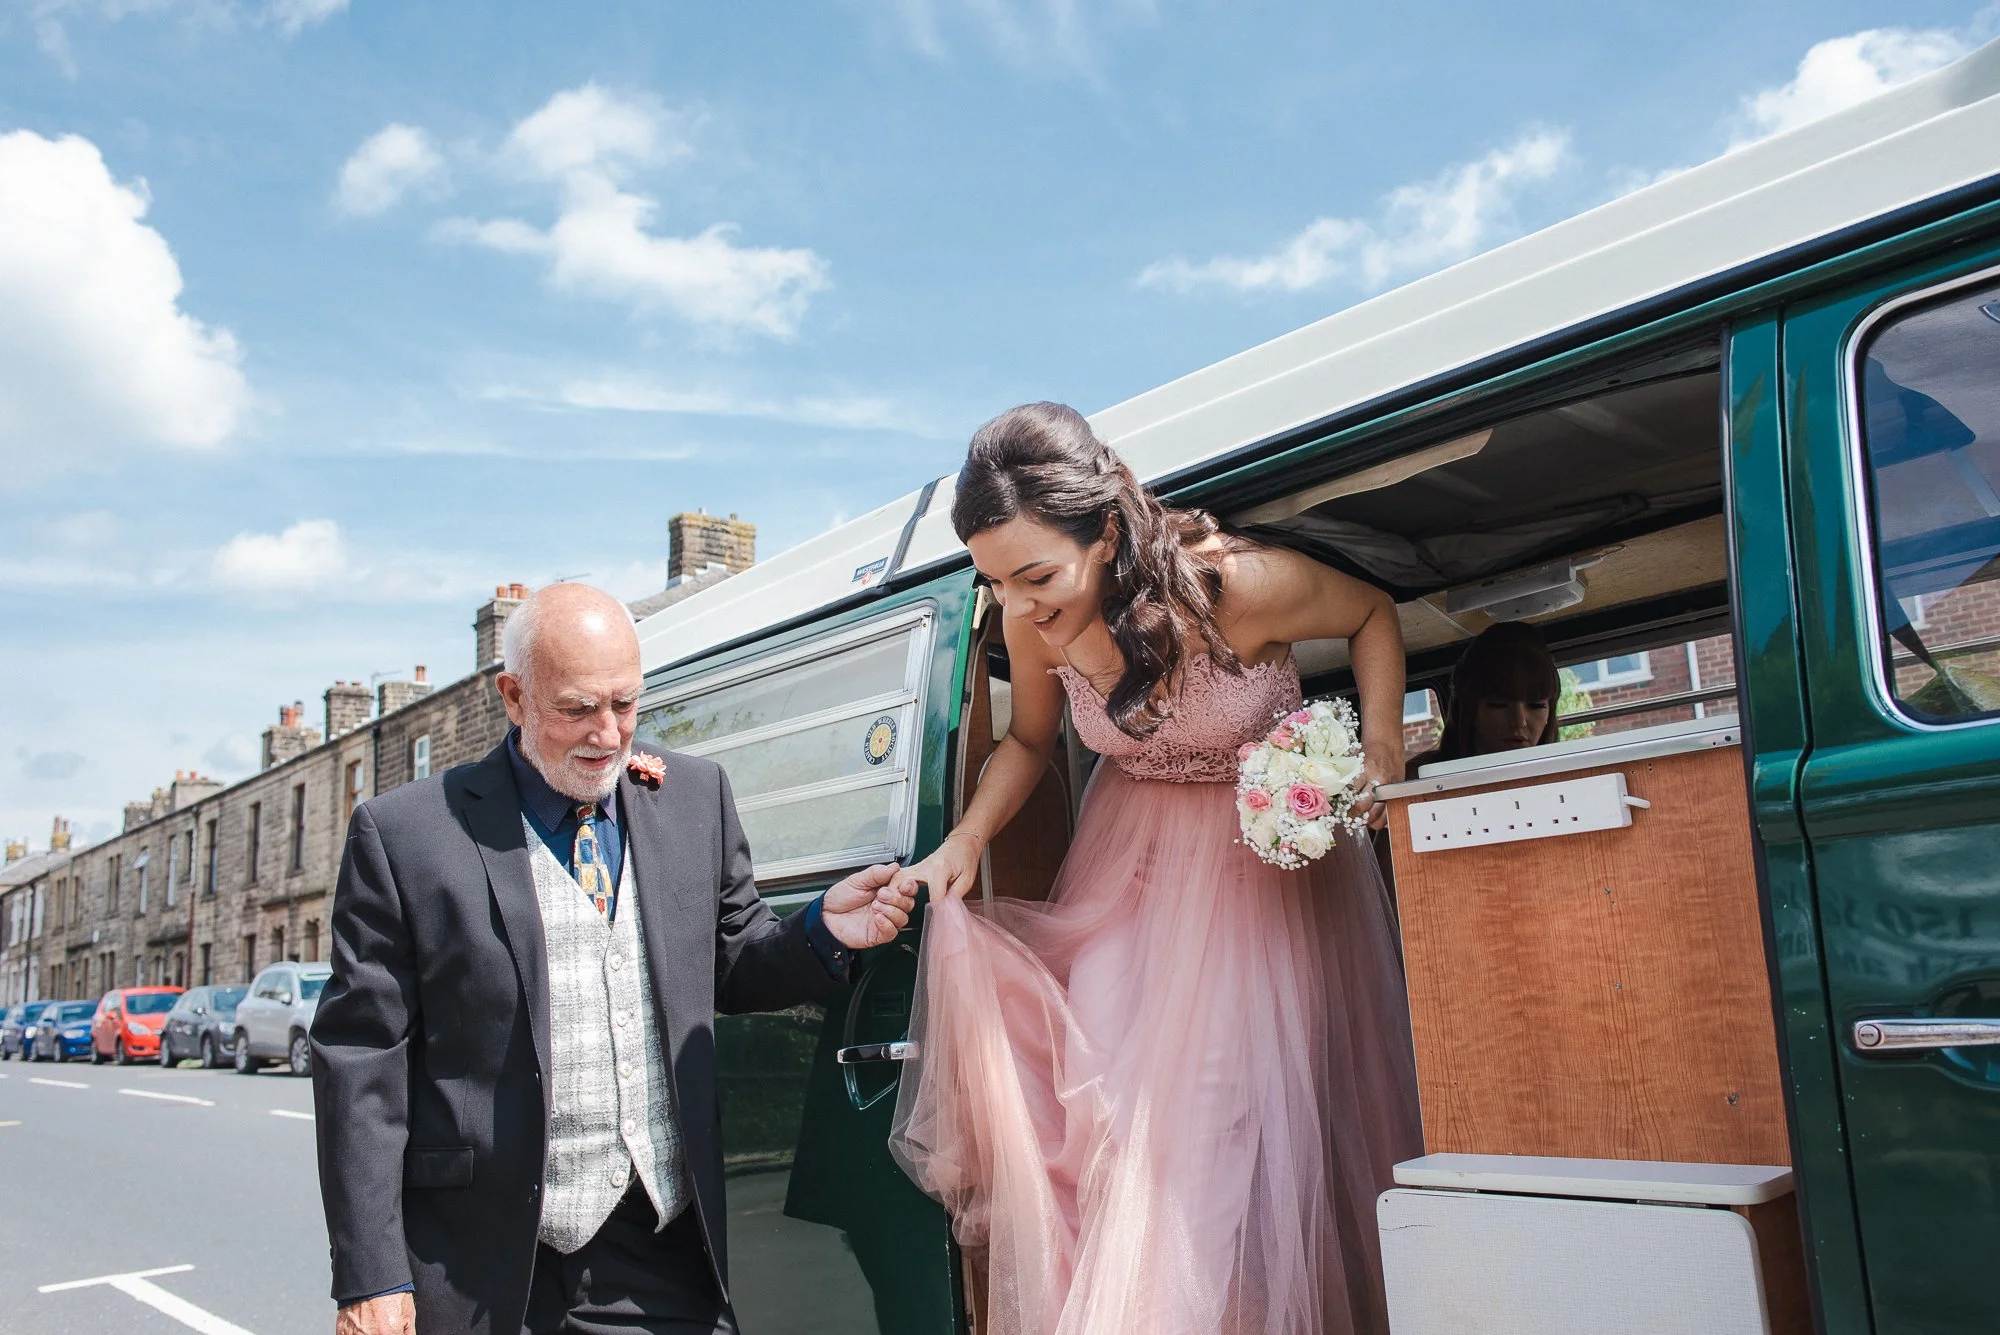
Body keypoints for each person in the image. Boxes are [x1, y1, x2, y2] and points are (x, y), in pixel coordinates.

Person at [886, 403, 1423, 1335]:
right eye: (994, 582)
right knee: (1093, 1102)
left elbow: (1373, 614)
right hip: (1127, 867)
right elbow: (1027, 738)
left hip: (1257, 869)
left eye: (1036, 575)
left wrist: (1379, 745)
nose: (1017, 603)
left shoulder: (1236, 587)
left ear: (1103, 531)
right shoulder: (1033, 621)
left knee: (1212, 1132)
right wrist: (965, 838)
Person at [312, 583, 916, 1335]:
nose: (607, 733)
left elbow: (735, 959)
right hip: (484, 1265)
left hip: (660, 1248)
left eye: (626, 704)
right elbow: (361, 1060)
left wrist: (822, 929)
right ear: (513, 695)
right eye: (577, 708)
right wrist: (372, 1274)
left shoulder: (696, 796)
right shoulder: (404, 835)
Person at [1414, 620, 1563, 769]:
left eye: (1536, 706)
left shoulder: (1566, 772)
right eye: (1498, 705)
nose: (1519, 722)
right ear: (1470, 709)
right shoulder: (1422, 777)